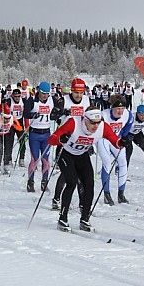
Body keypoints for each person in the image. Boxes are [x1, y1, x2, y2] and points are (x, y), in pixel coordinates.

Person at [48, 107, 124, 232]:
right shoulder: (74, 123)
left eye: (97, 122)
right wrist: (60, 139)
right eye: (92, 122)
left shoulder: (103, 127)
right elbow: (51, 139)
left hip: (81, 155)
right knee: (71, 182)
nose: (95, 126)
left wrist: (122, 142)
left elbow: (115, 141)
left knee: (89, 184)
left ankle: (84, 218)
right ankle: (63, 218)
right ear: (85, 119)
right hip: (65, 154)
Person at [52, 78, 90, 208]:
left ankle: (81, 203)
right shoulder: (64, 100)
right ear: (72, 91)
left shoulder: (86, 100)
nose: (79, 95)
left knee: (80, 175)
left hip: (80, 139)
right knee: (67, 175)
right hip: (65, 139)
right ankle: (56, 198)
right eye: (76, 92)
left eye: (81, 92)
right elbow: (53, 116)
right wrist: (64, 112)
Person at [23, 81, 61, 193]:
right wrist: (33, 115)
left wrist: (57, 114)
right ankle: (30, 182)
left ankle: (44, 183)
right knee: (34, 160)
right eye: (43, 93)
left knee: (46, 160)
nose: (45, 95)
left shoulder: (51, 100)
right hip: (34, 134)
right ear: (39, 91)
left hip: (46, 134)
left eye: (47, 93)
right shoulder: (32, 101)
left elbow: (58, 109)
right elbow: (25, 113)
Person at [97, 95, 134, 205]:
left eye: (122, 109)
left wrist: (125, 137)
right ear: (112, 108)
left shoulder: (127, 114)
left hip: (116, 139)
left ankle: (121, 194)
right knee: (107, 163)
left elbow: (129, 124)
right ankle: (107, 194)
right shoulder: (104, 115)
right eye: (117, 109)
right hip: (104, 139)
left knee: (123, 163)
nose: (120, 111)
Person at [3, 89, 27, 167]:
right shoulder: (9, 101)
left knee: (22, 141)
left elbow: (26, 114)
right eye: (15, 96)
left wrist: (26, 126)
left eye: (18, 96)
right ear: (12, 95)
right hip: (11, 123)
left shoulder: (23, 101)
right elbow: (3, 110)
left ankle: (21, 159)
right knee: (9, 143)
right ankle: (8, 159)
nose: (17, 98)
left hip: (19, 122)